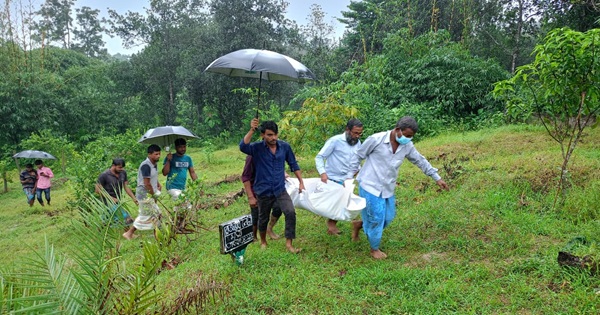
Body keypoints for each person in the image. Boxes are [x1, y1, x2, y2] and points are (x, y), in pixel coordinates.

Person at [347, 116, 449, 259]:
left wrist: (437, 178)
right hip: (369, 184)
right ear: (397, 130)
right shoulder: (376, 139)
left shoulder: (407, 146)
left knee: (388, 217)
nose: (408, 139)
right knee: (377, 218)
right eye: (406, 135)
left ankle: (360, 225)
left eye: (411, 137)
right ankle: (374, 249)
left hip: (387, 187)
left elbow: (420, 160)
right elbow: (358, 155)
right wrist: (349, 175)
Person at [239, 118, 305, 253]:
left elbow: (293, 164)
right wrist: (252, 129)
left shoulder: (284, 147)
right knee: (263, 218)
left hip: (280, 189)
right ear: (263, 135)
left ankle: (289, 244)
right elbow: (243, 146)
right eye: (269, 135)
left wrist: (301, 181)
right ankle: (263, 241)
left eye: (275, 134)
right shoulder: (257, 148)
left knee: (290, 212)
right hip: (263, 190)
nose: (273, 137)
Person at [315, 118, 364, 236]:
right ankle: (331, 226)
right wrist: (322, 173)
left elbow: (357, 160)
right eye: (355, 133)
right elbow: (320, 157)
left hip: (347, 179)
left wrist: (358, 171)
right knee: (333, 203)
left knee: (343, 202)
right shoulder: (335, 141)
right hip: (332, 177)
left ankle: (332, 225)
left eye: (360, 133)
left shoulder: (358, 143)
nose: (357, 136)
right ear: (347, 130)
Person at [123, 145, 163, 240]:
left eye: (159, 153)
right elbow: (146, 184)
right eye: (156, 154)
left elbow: (152, 177)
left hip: (149, 192)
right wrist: (153, 195)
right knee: (146, 215)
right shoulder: (146, 165)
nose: (158, 156)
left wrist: (158, 183)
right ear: (149, 154)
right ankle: (129, 233)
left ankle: (156, 234)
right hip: (144, 193)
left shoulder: (154, 164)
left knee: (156, 214)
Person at [242, 155, 283, 241]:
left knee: (278, 207)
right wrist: (250, 197)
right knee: (257, 213)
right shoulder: (252, 156)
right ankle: (253, 236)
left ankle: (269, 229)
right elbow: (245, 177)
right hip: (256, 190)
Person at [95, 158, 139, 225]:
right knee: (126, 217)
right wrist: (111, 198)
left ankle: (102, 225)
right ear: (113, 165)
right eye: (119, 167)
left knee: (108, 220)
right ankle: (128, 234)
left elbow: (126, 187)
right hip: (107, 202)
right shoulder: (104, 175)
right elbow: (97, 190)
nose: (121, 169)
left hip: (118, 200)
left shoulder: (123, 173)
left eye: (122, 167)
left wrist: (134, 198)